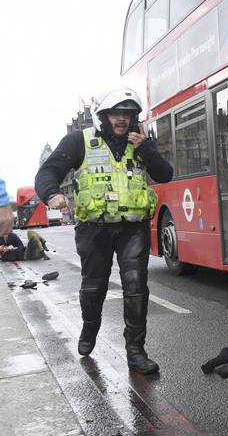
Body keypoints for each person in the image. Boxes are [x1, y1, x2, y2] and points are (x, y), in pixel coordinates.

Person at [35, 88, 173, 374]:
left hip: (132, 228)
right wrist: (51, 195)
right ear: (104, 116)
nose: (122, 119)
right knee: (94, 286)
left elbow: (165, 174)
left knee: (136, 285)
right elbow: (47, 172)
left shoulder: (141, 143)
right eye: (116, 113)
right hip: (94, 229)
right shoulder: (79, 141)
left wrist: (146, 148)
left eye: (128, 114)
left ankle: (136, 351)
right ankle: (89, 327)